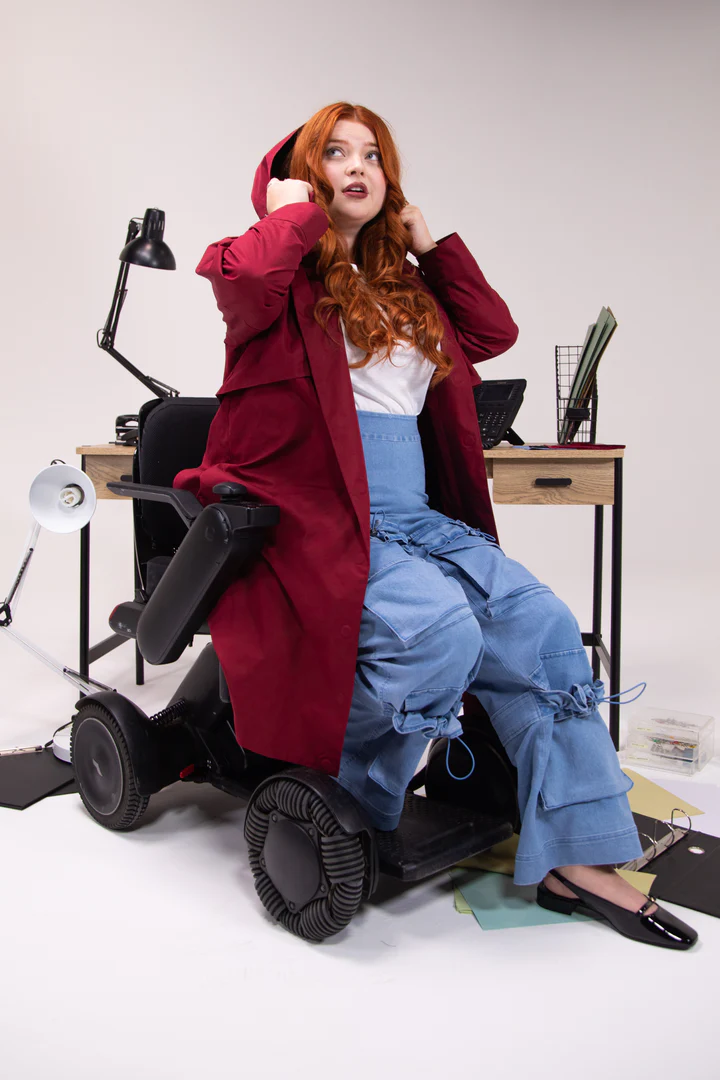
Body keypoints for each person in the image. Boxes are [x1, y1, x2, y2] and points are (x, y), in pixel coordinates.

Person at [174, 101, 697, 949]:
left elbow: (493, 330)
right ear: (301, 176)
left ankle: (576, 856)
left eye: (372, 155)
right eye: (335, 153)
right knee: (437, 632)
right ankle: (356, 802)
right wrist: (289, 213)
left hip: (411, 516)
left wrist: (432, 244)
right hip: (316, 518)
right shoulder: (272, 278)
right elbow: (240, 282)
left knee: (542, 625)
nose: (359, 167)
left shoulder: (404, 290)